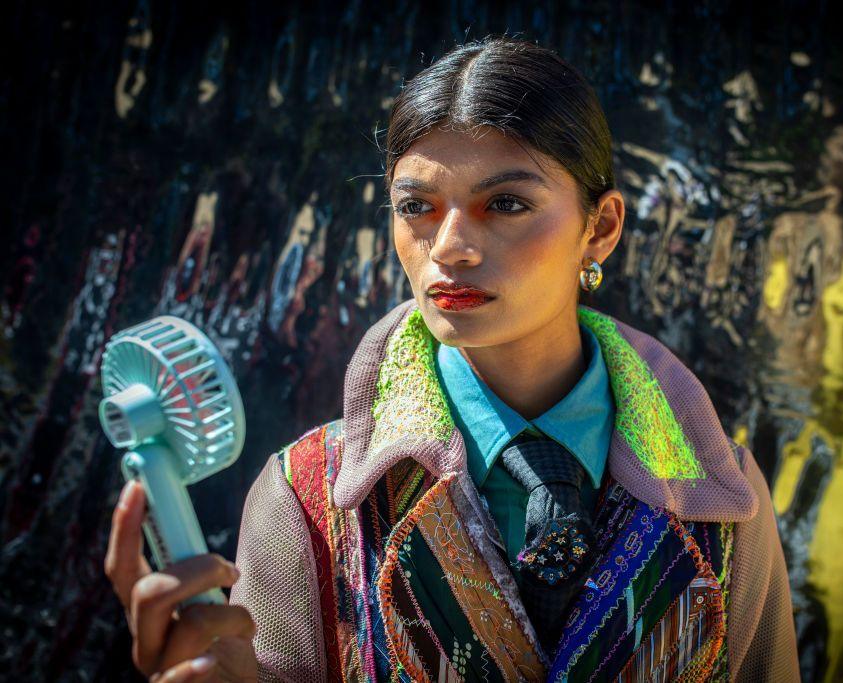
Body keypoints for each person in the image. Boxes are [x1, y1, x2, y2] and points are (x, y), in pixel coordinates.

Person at [105, 35, 799, 682]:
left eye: (505, 202)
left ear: (602, 226)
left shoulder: (721, 502)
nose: (450, 247)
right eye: (418, 206)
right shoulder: (309, 502)